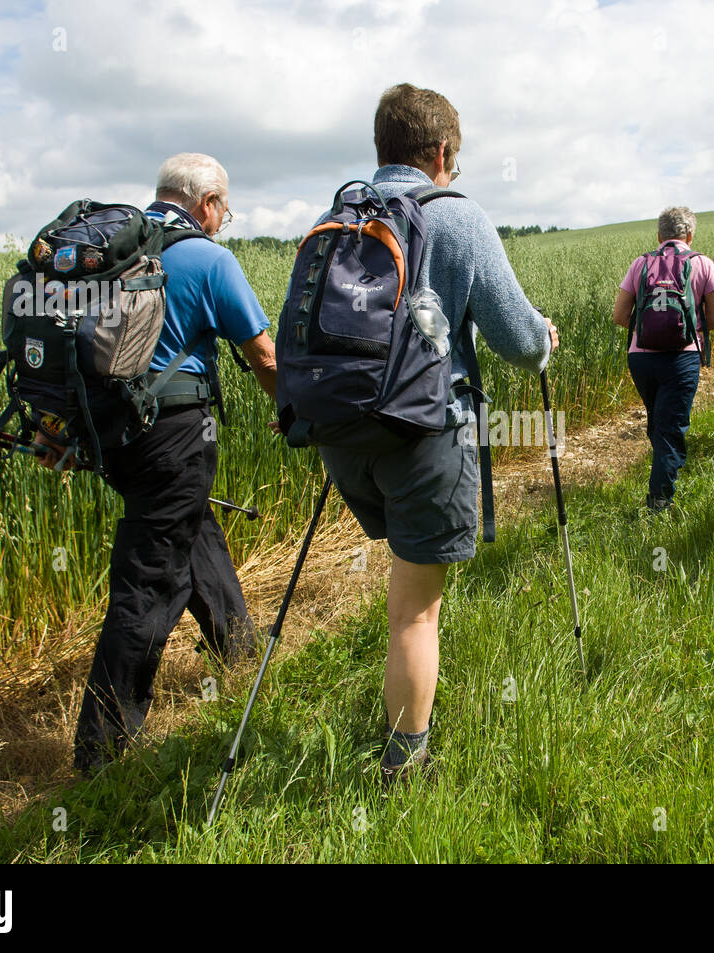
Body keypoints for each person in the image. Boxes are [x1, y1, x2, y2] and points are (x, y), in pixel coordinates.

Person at [309, 84, 557, 786]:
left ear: (383, 147)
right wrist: (544, 343)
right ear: (442, 153)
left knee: (402, 588)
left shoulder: (340, 214)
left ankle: (395, 709)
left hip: (342, 432)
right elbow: (518, 339)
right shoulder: (457, 217)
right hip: (424, 433)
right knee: (416, 613)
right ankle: (405, 763)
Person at [57, 153, 279, 775]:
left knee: (190, 532)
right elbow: (262, 353)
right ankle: (101, 753)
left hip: (114, 438)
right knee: (151, 581)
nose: (223, 222)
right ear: (207, 203)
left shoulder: (118, 251)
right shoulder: (207, 258)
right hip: (175, 438)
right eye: (224, 211)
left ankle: (239, 655)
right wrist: (298, 411)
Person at [612, 206, 714, 511]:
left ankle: (661, 477)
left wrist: (649, 330)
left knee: (658, 423)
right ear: (690, 234)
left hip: (641, 359)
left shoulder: (641, 263)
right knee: (670, 427)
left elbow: (620, 315)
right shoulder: (701, 263)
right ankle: (659, 502)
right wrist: (686, 328)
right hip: (682, 359)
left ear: (659, 235)